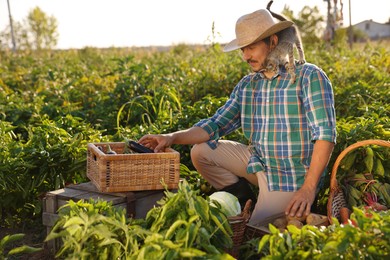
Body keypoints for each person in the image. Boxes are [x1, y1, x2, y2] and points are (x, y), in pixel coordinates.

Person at [139, 9, 336, 224]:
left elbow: (325, 135)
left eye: (251, 47)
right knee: (201, 151)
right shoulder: (248, 85)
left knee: (254, 235)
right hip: (260, 163)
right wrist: (172, 137)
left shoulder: (309, 77)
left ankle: (270, 207)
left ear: (273, 42)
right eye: (243, 49)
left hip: (291, 177)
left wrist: (308, 188)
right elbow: (215, 125)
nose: (245, 56)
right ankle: (246, 202)